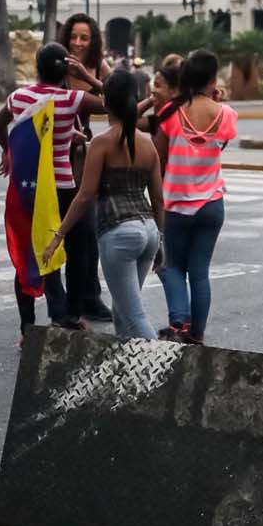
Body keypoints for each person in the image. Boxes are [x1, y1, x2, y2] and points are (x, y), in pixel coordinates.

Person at [0, 42, 107, 338]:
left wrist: (9, 151)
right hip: (62, 190)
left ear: (37, 67)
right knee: (75, 251)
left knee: (29, 252)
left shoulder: (19, 97)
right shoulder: (71, 99)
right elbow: (115, 102)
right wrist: (91, 78)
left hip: (26, 188)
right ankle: (67, 315)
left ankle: (27, 328)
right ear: (67, 68)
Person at [43, 69, 164, 340]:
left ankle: (164, 372)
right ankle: (131, 375)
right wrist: (161, 241)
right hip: (148, 233)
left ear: (106, 103)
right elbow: (158, 199)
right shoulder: (147, 145)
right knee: (122, 312)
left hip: (119, 233)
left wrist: (58, 236)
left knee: (134, 316)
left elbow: (85, 196)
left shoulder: (101, 143)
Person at [156, 49, 237, 343]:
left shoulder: (171, 114)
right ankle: (197, 334)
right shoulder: (226, 114)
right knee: (199, 272)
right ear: (213, 79)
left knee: (173, 265)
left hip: (176, 203)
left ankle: (179, 322)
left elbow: (158, 157)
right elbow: (220, 145)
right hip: (212, 203)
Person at [59, 14, 112, 324]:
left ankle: (90, 298)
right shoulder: (58, 66)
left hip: (86, 157)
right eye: (74, 37)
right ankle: (71, 303)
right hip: (62, 154)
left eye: (84, 38)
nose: (77, 43)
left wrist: (90, 77)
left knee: (89, 233)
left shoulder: (95, 66)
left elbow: (118, 95)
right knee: (73, 233)